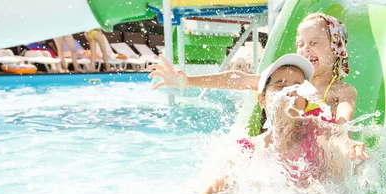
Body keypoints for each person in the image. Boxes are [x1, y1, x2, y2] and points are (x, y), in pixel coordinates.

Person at [184, 54, 368, 194]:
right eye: (280, 85)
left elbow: (336, 134)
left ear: (305, 101)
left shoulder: (316, 132)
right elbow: (211, 192)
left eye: (297, 86)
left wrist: (347, 142)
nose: (290, 91)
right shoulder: (249, 149)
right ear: (262, 100)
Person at [149, 13, 356, 125]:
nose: (305, 49)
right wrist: (188, 82)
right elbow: (238, 79)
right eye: (300, 44)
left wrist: (346, 142)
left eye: (314, 42)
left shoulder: (341, 92)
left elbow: (343, 123)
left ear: (336, 47)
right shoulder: (287, 82)